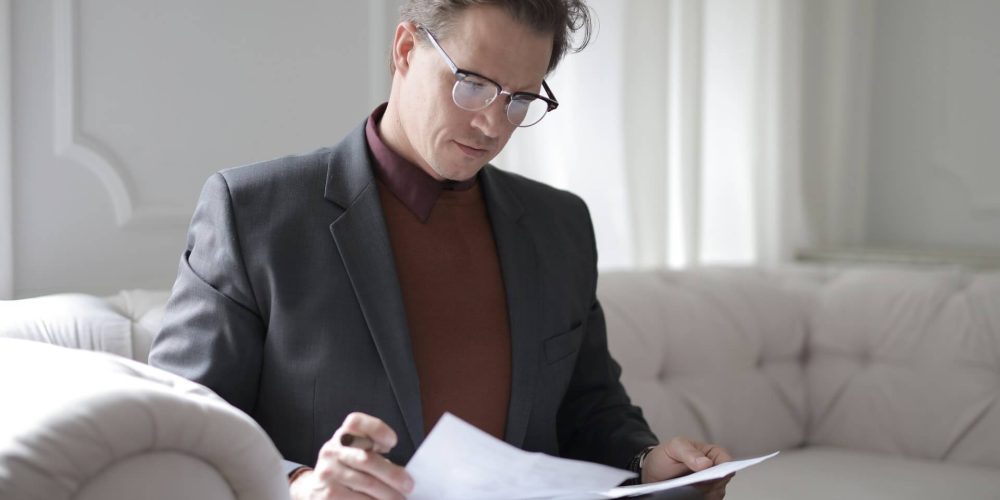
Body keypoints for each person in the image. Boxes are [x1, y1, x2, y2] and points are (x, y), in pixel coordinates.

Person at [149, 1, 733, 499]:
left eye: (519, 100)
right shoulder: (254, 213)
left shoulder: (561, 225)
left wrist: (648, 465)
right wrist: (300, 484)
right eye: (472, 84)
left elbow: (590, 406)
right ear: (405, 49)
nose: (491, 126)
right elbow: (180, 433)